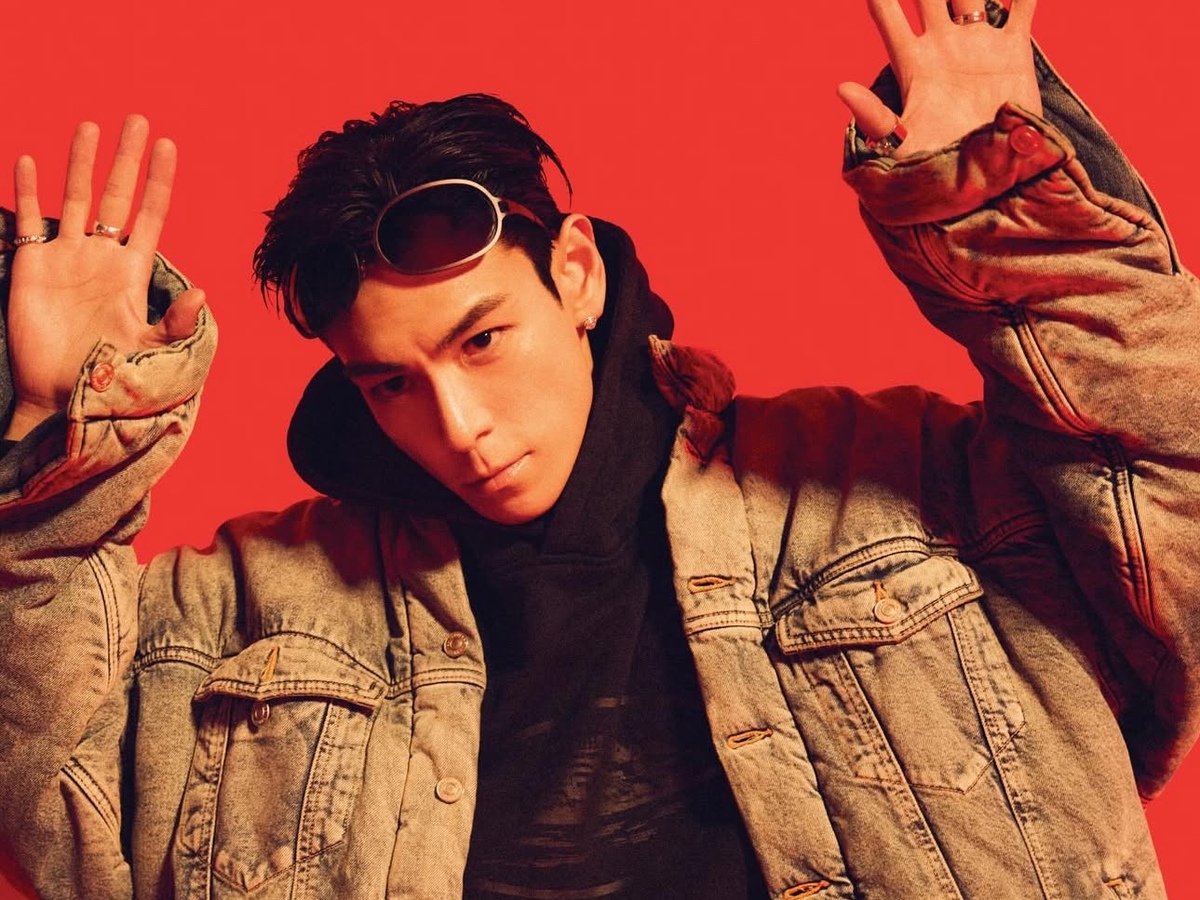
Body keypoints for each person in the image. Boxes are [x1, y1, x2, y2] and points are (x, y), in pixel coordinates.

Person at [1, 0, 1197, 896]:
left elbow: (1169, 511)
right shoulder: (240, 613)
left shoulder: (898, 486)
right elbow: (51, 809)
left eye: (482, 342)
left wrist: (1020, 234)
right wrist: (64, 436)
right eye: (390, 385)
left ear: (574, 273)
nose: (457, 428)